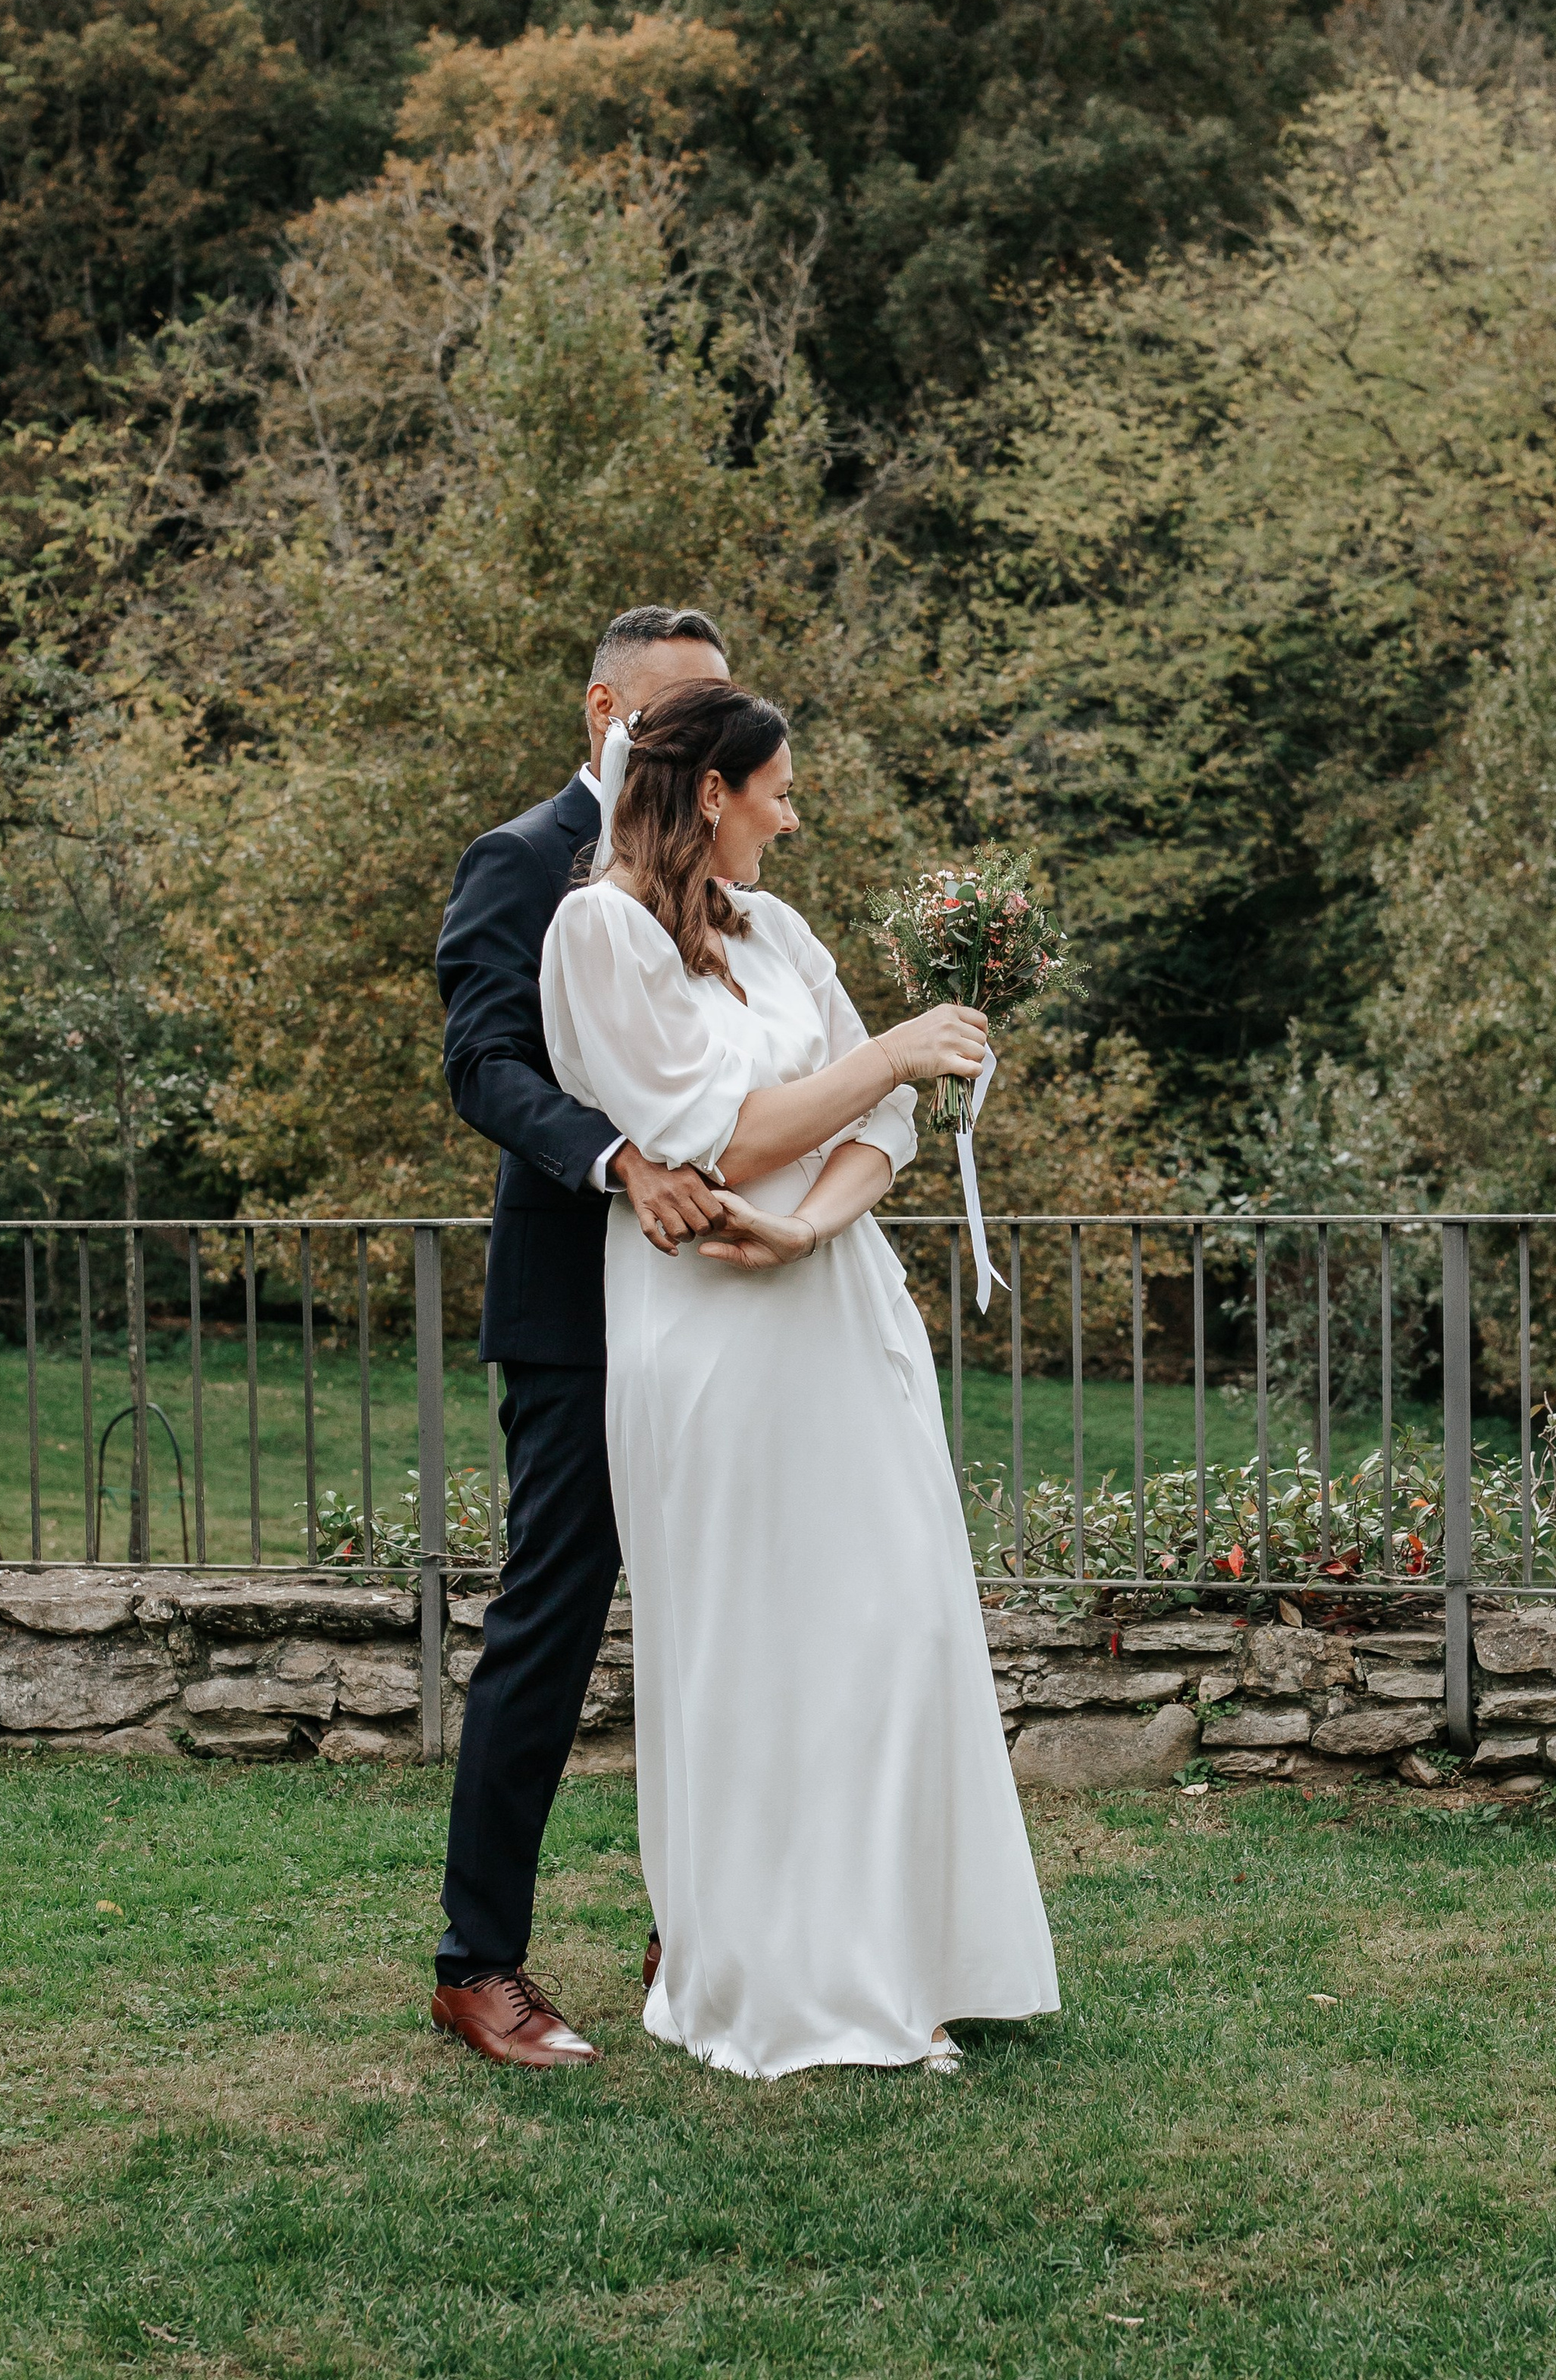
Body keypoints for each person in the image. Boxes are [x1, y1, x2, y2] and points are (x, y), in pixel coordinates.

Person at [538, 679, 1060, 2079]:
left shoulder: (780, 930)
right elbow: (719, 1131)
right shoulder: (599, 933)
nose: (793, 805)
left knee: (896, 1630)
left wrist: (812, 1225)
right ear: (714, 792)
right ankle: (768, 1983)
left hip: (825, 1297)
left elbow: (874, 1120)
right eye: (778, 784)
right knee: (756, 1652)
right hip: (704, 1336)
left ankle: (895, 1965)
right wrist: (886, 1049)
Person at [430, 606, 734, 2070]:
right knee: (549, 1628)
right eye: (674, 716)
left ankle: (714, 1929)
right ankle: (478, 1962)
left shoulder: (726, 876)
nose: (695, 748)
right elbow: (481, 1064)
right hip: (577, 1312)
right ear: (606, 708)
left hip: (723, 1308)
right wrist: (618, 1159)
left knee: (724, 1624)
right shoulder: (519, 858)